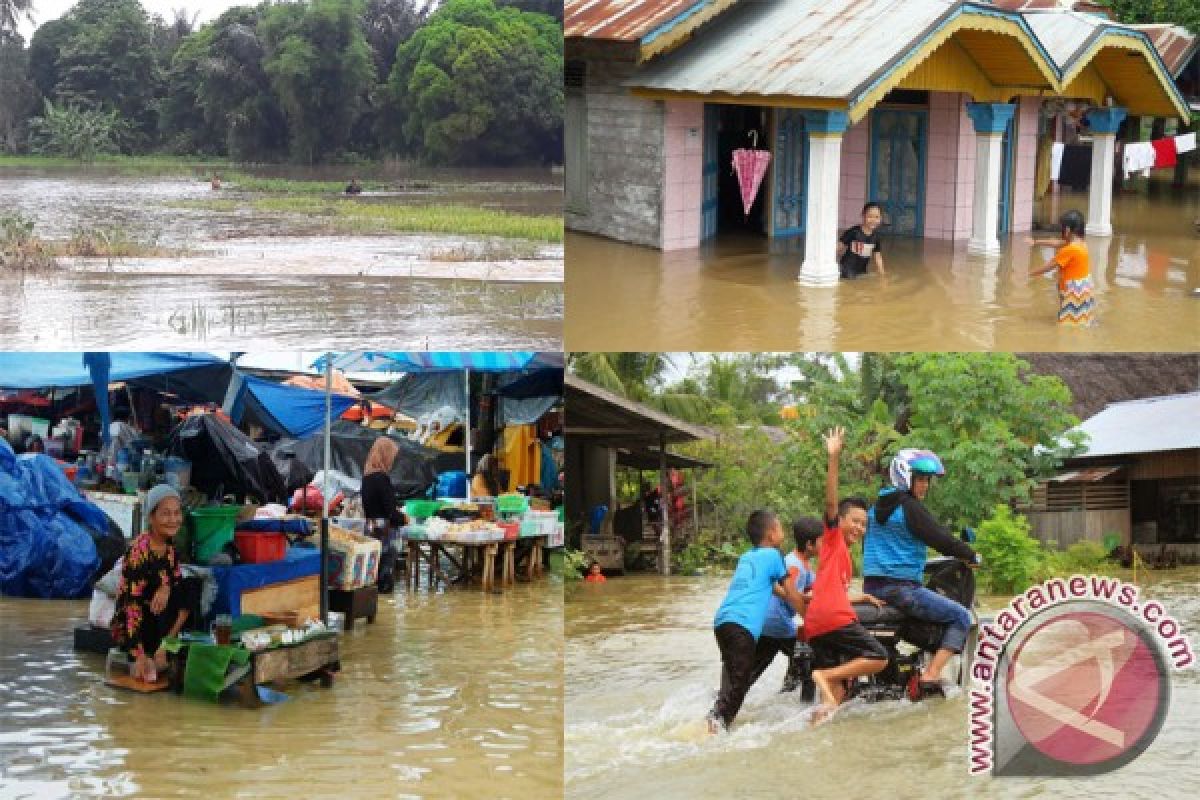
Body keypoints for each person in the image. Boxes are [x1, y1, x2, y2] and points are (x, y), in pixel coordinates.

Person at [862, 449, 980, 700]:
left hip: (872, 588)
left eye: (927, 480)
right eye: (921, 479)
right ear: (905, 477)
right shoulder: (909, 507)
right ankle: (932, 674)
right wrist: (969, 555)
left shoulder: (875, 509)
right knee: (960, 616)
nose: (925, 485)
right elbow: (939, 537)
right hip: (901, 589)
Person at [805, 427, 889, 724]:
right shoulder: (832, 539)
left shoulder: (839, 555)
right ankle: (823, 674)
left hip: (817, 624)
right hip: (834, 620)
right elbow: (830, 502)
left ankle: (815, 726)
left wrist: (860, 596)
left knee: (835, 696)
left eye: (864, 525)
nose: (859, 529)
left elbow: (829, 592)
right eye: (855, 521)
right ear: (839, 520)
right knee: (879, 657)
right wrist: (834, 457)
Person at [707, 510, 809, 733]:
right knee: (739, 684)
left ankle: (715, 716)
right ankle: (715, 727)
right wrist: (809, 618)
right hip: (743, 626)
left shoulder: (747, 556)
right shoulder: (774, 556)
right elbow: (791, 593)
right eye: (780, 527)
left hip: (723, 621)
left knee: (731, 680)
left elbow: (772, 587)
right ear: (772, 535)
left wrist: (795, 598)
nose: (783, 532)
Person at [111, 485, 190, 683]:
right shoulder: (139, 552)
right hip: (137, 626)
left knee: (190, 589)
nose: (173, 520)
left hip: (161, 622)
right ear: (151, 518)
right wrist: (138, 654)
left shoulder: (170, 548)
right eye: (165, 514)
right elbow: (131, 605)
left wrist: (167, 586)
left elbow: (178, 584)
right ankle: (148, 652)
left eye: (177, 513)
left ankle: (166, 644)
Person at [755, 516, 821, 694]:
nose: (825, 545)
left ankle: (786, 690)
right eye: (822, 541)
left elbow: (817, 589)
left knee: (753, 670)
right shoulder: (795, 566)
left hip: (767, 622)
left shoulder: (802, 564)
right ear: (809, 545)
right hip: (778, 621)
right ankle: (804, 704)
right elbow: (790, 594)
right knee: (809, 657)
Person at [1028, 209, 1094, 327]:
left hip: (1073, 292)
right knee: (1080, 322)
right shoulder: (1081, 243)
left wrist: (1028, 274)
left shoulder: (1069, 249)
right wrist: (1036, 242)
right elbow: (1057, 243)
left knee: (1066, 326)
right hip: (1083, 288)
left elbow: (1048, 267)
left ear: (1068, 229)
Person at [362, 437, 404, 593]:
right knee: (385, 576)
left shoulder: (366, 477)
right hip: (385, 532)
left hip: (371, 528)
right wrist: (404, 518)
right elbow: (391, 513)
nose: (392, 460)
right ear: (385, 454)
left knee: (373, 571)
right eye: (391, 455)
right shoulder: (381, 478)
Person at [837, 202, 886, 279]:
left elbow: (878, 256)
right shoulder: (854, 232)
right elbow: (838, 247)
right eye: (870, 216)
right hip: (847, 270)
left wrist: (882, 274)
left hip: (862, 271)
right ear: (863, 216)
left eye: (877, 217)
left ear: (881, 218)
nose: (873, 220)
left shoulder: (876, 237)